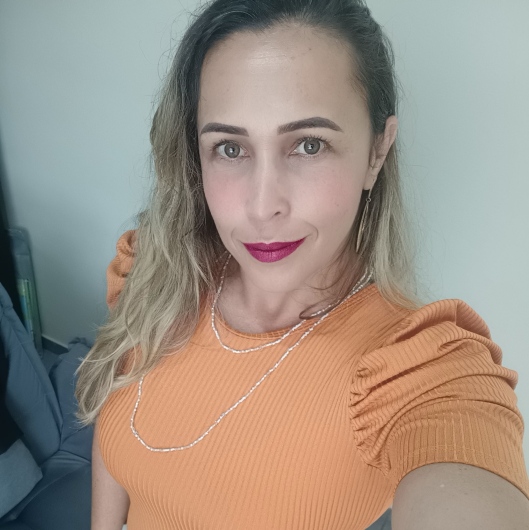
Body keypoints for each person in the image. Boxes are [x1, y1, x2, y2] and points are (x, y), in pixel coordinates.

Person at [75, 0, 529, 528]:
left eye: (309, 145)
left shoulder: (416, 370)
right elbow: (117, 427)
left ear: (377, 152)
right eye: (229, 148)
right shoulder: (156, 271)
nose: (263, 206)